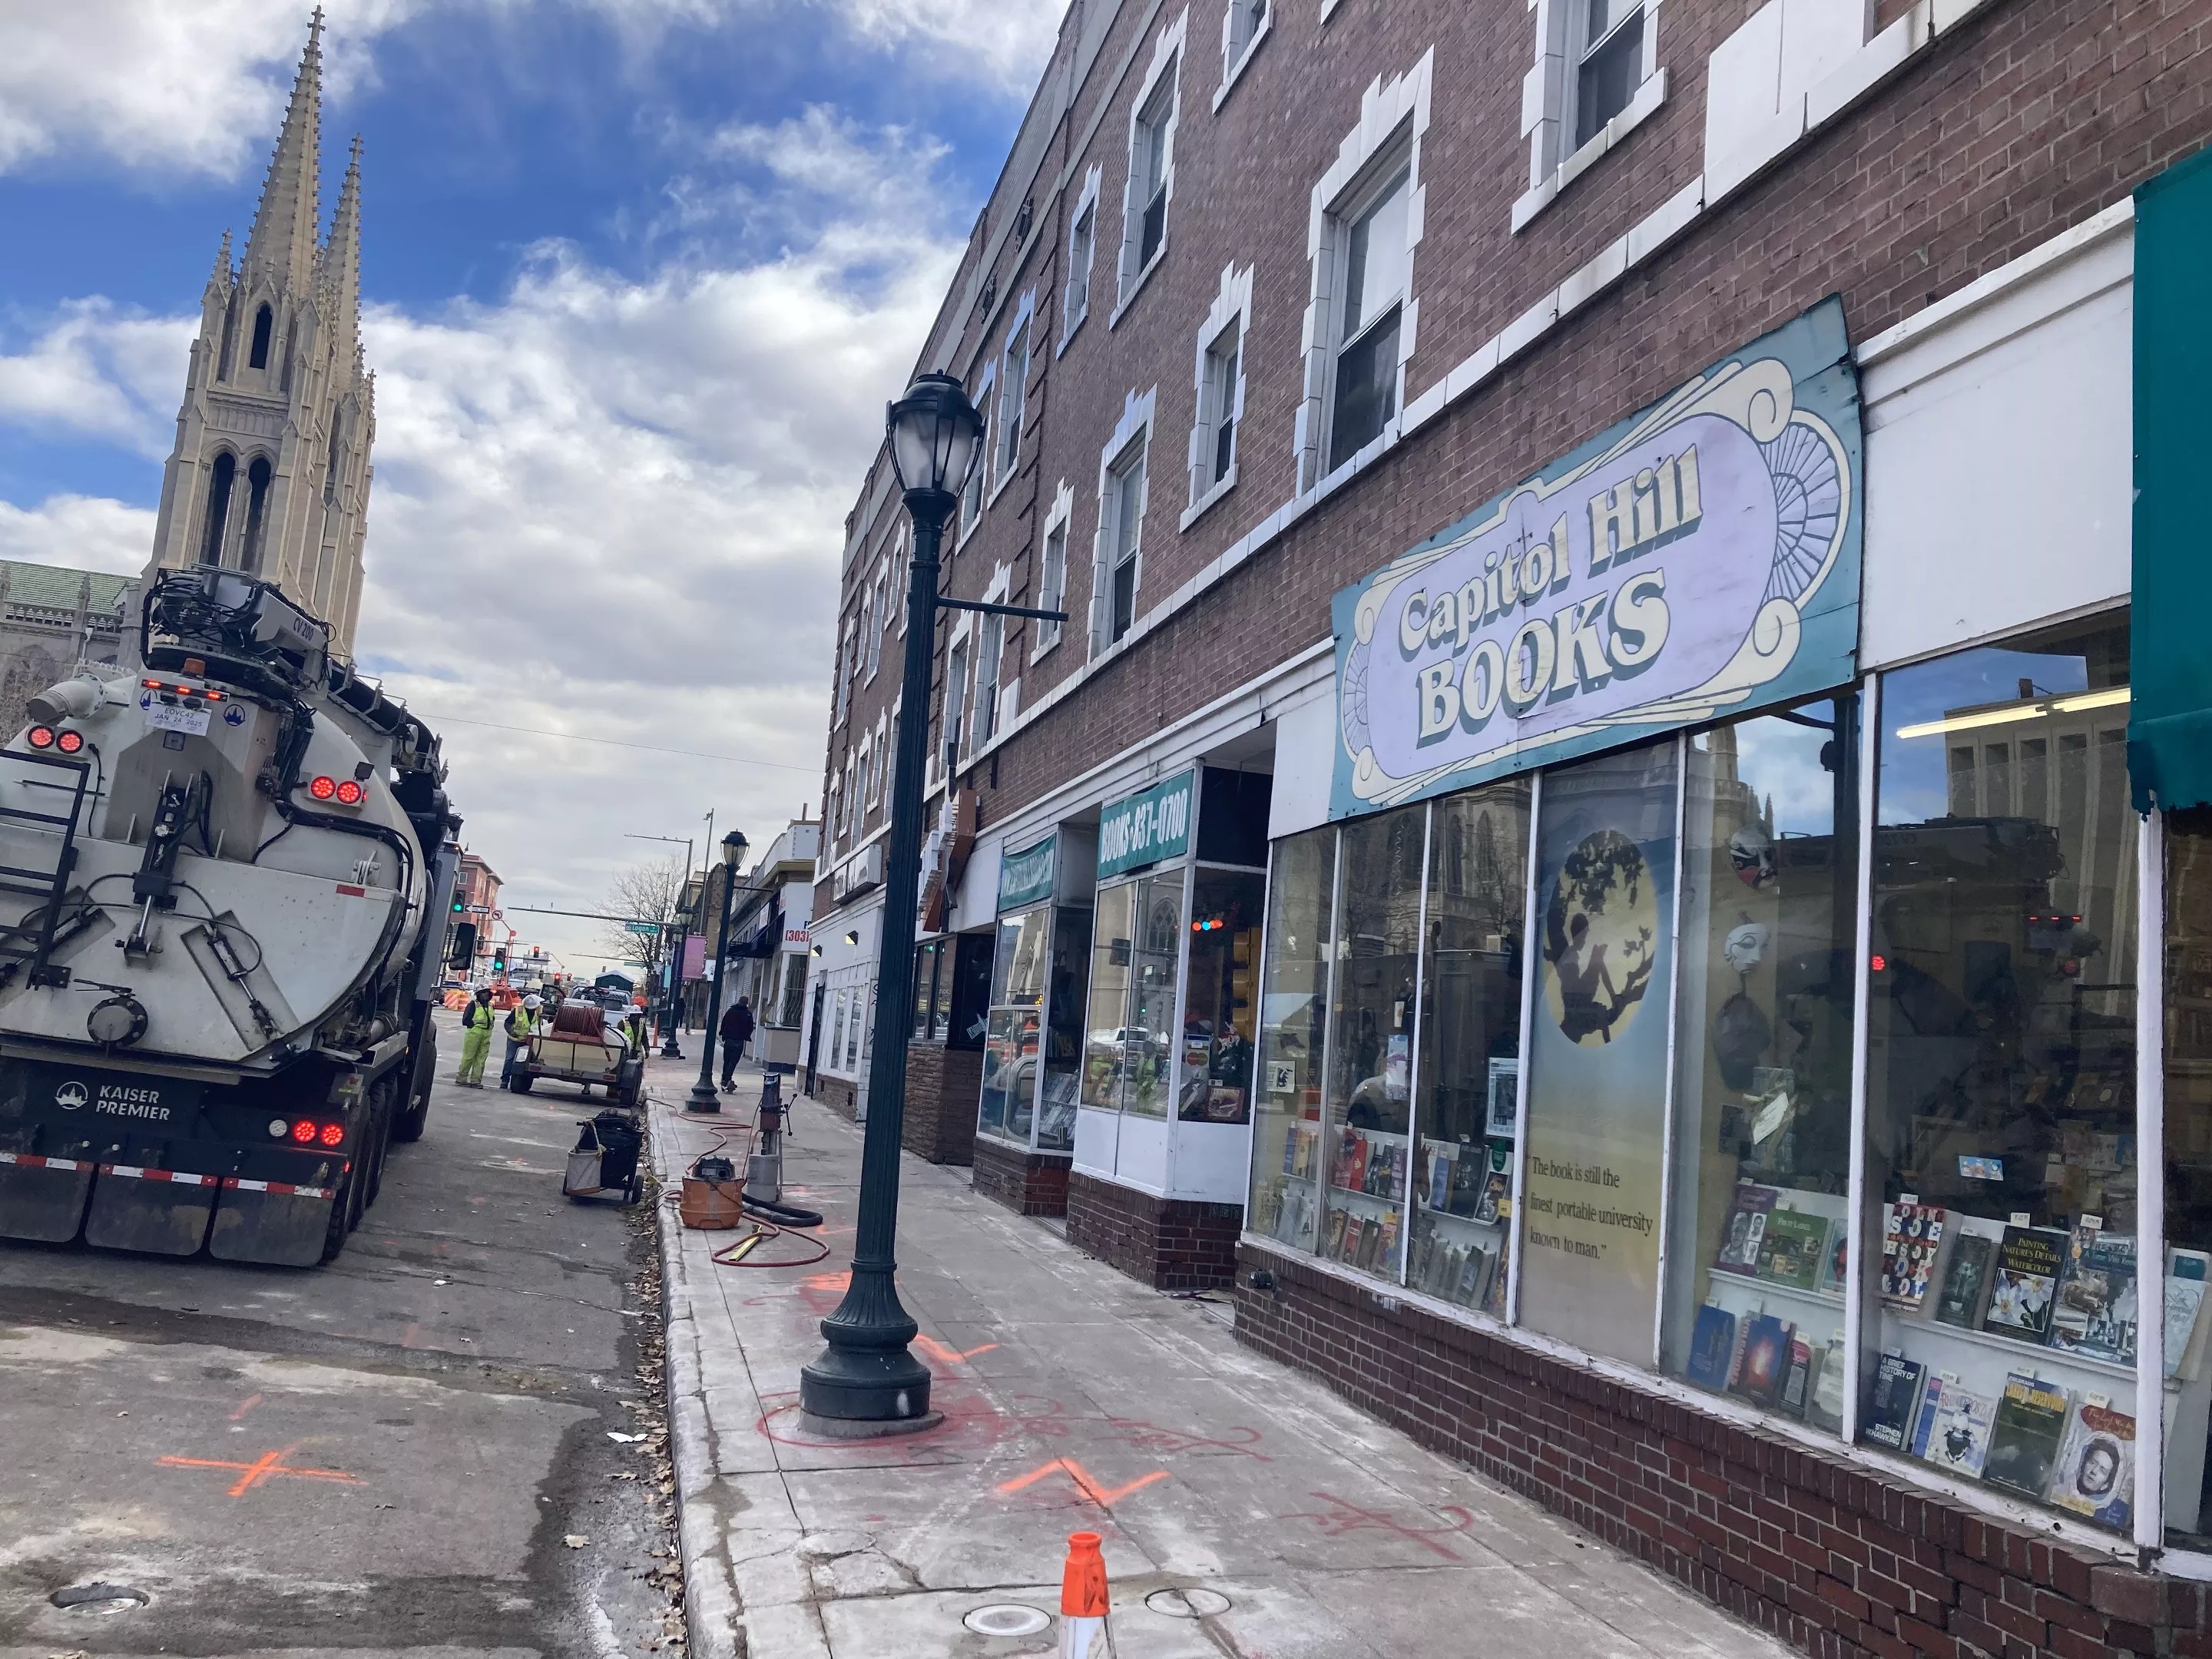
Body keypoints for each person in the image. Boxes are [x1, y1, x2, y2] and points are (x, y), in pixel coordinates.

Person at [456, 987, 495, 1087]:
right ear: (479, 994)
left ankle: (476, 1081)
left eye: (487, 992)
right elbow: (465, 1020)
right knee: (468, 1057)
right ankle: (462, 1078)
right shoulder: (473, 1005)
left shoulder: (490, 1006)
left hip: (486, 1035)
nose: (486, 994)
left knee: (481, 1059)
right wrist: (473, 1027)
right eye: (483, 992)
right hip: (474, 1034)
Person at [502, 993, 541, 1088]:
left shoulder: (538, 1013)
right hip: (515, 1040)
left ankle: (520, 1080)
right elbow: (507, 1023)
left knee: (526, 1061)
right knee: (510, 1059)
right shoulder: (518, 1011)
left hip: (529, 1041)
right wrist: (512, 1033)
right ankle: (505, 1081)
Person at [719, 995, 755, 1091]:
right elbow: (750, 1027)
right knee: (733, 1062)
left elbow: (724, 1022)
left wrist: (722, 1033)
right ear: (747, 1003)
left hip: (729, 1039)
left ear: (739, 1001)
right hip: (739, 1041)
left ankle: (724, 1079)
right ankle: (727, 1079)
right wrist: (746, 1036)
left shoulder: (731, 1011)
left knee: (727, 1060)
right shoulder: (748, 1014)